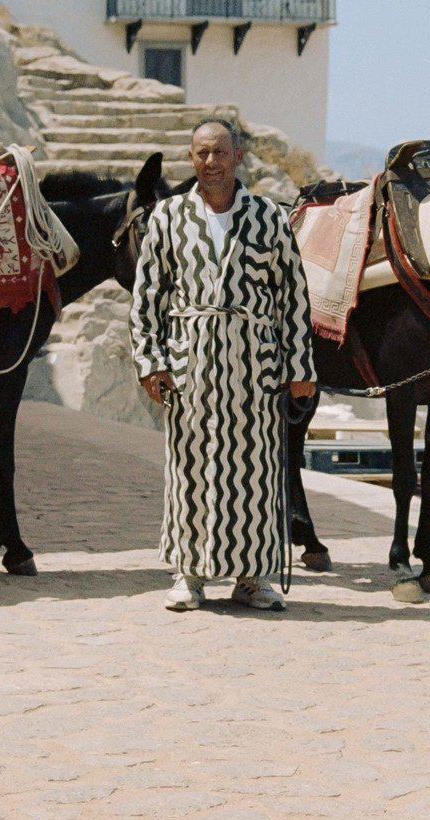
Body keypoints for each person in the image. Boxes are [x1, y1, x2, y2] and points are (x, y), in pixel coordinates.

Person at [129, 118, 316, 611]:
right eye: (200, 154)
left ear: (237, 157)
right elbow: (147, 296)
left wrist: (299, 366)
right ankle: (188, 575)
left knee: (254, 470)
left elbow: (292, 296)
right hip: (190, 362)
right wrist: (151, 361)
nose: (209, 162)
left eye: (218, 153)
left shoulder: (269, 218)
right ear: (191, 160)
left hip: (255, 366)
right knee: (189, 468)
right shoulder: (168, 218)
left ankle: (254, 577)